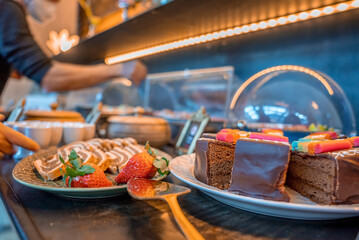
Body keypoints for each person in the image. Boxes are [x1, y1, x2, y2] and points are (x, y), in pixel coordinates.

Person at [0, 0, 147, 154]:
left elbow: (28, 67)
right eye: (53, 1)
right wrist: (121, 69)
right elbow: (49, 78)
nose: (54, 7)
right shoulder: (8, 8)